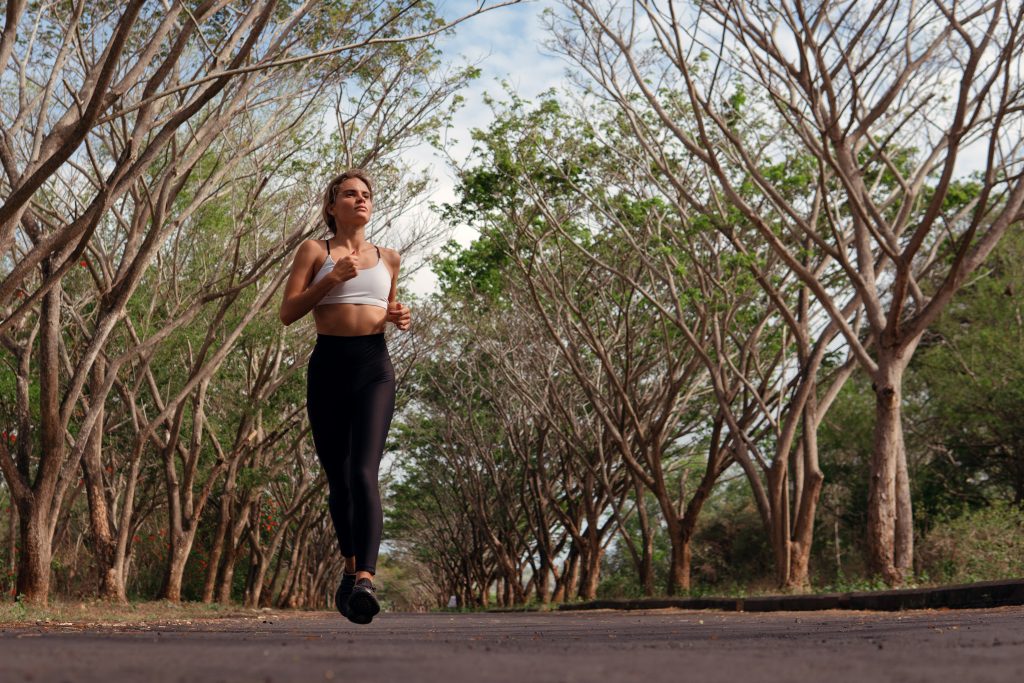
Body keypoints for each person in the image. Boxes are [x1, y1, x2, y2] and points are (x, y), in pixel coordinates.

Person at [279, 169, 410, 624]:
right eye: (350, 194)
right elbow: (288, 312)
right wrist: (333, 278)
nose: (361, 200)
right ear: (332, 206)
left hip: (374, 367)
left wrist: (397, 314)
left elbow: (386, 306)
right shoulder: (315, 251)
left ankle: (366, 581)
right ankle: (350, 567)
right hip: (329, 367)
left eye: (366, 195)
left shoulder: (389, 258)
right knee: (339, 480)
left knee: (363, 470)